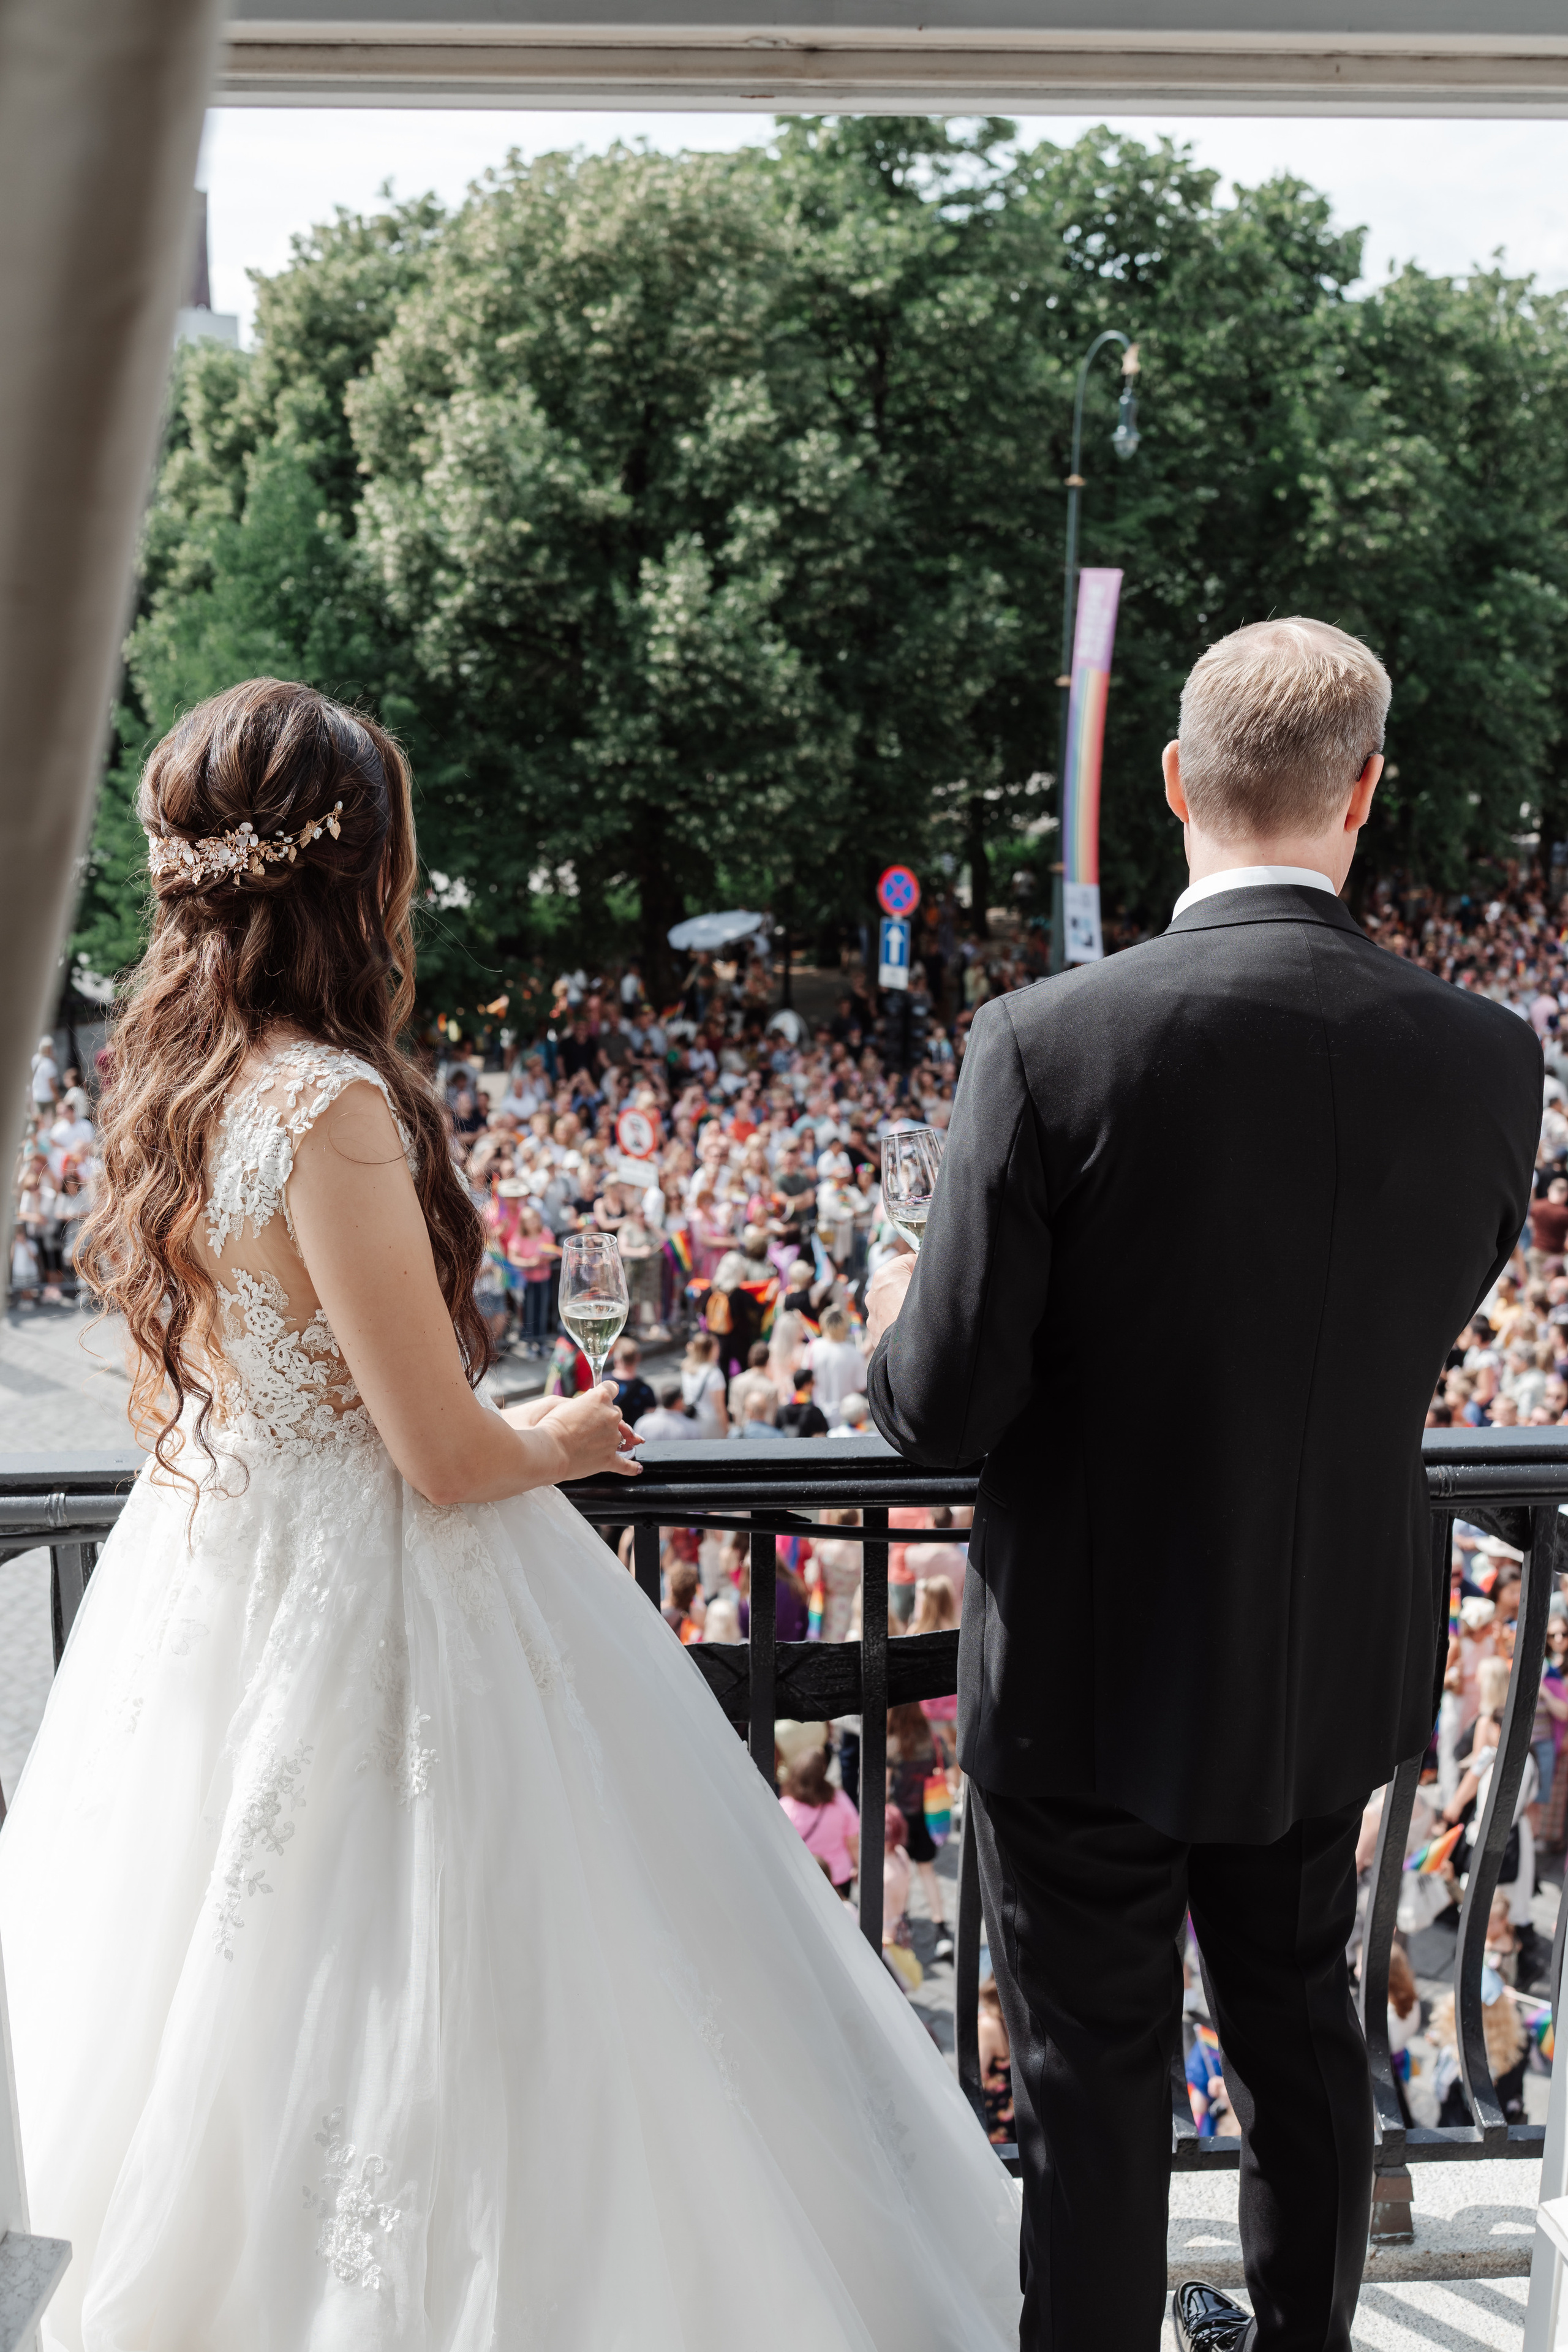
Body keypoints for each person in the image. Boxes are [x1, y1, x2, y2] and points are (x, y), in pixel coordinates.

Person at [0, 679, 1019, 2350]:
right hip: (378, 1599)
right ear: (360, 872)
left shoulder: (173, 1093)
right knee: (490, 2007)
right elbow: (442, 1454)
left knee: (230, 2014)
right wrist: (563, 1427)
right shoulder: (324, 1103)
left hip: (216, 1572)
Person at [865, 617, 1541, 2352]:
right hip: (1326, 1655)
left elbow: (938, 1406)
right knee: (1307, 2048)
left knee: (1095, 2102)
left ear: (1172, 782)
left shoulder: (1045, 1041)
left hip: (1091, 1668)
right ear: (1365, 796)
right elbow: (1431, 1304)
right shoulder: (1485, 1057)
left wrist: (889, 1314)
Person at [778, 1746, 861, 1901]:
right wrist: (859, 1868)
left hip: (802, 1878)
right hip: (838, 1876)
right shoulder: (839, 1800)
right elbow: (853, 1841)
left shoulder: (785, 1807)